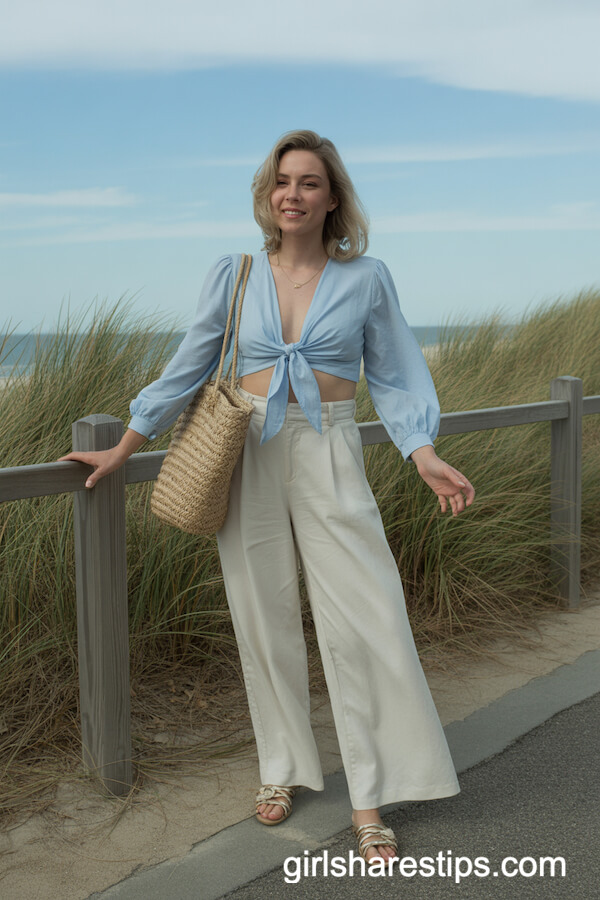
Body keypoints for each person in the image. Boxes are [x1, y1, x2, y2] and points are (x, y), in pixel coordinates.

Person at [60, 130, 474, 864]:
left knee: (368, 618)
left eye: (310, 182)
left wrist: (424, 451)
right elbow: (189, 362)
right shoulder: (237, 273)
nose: (293, 194)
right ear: (267, 193)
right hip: (245, 446)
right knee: (263, 616)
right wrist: (127, 444)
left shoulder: (367, 278)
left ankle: (370, 797)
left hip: (331, 447)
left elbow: (399, 371)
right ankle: (281, 768)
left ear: (332, 198)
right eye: (282, 181)